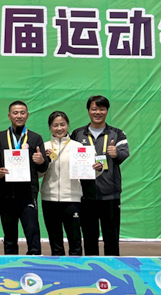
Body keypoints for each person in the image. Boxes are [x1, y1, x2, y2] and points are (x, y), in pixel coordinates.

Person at [71, 95, 130, 256]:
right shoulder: (77, 134)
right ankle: (92, 268)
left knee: (111, 239)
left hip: (110, 195)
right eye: (94, 109)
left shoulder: (117, 133)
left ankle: (113, 268)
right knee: (89, 238)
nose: (98, 112)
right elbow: (69, 157)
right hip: (85, 196)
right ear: (88, 111)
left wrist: (116, 153)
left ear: (107, 111)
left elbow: (124, 154)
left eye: (102, 109)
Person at [0, 100, 49, 255]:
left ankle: (35, 261)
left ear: (27, 115)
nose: (19, 116)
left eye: (22, 113)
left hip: (28, 193)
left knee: (32, 232)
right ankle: (10, 262)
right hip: (7, 193)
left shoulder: (35, 138)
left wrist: (41, 161)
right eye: (15, 113)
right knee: (9, 235)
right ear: (9, 116)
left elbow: (43, 168)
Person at [39, 111, 83, 256]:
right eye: (55, 125)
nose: (59, 128)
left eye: (62, 124)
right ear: (50, 127)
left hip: (72, 199)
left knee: (75, 241)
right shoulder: (44, 147)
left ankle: (76, 267)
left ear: (67, 125)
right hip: (49, 199)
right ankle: (58, 268)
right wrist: (43, 162)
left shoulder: (78, 147)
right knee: (55, 242)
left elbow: (91, 173)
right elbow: (38, 174)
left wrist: (97, 168)